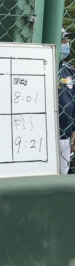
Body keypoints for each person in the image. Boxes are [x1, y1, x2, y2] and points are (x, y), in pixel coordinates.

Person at [58, 28, 75, 174]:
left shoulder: (69, 70)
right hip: (43, 133)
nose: (66, 44)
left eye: (66, 41)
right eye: (63, 41)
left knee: (63, 174)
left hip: (66, 136)